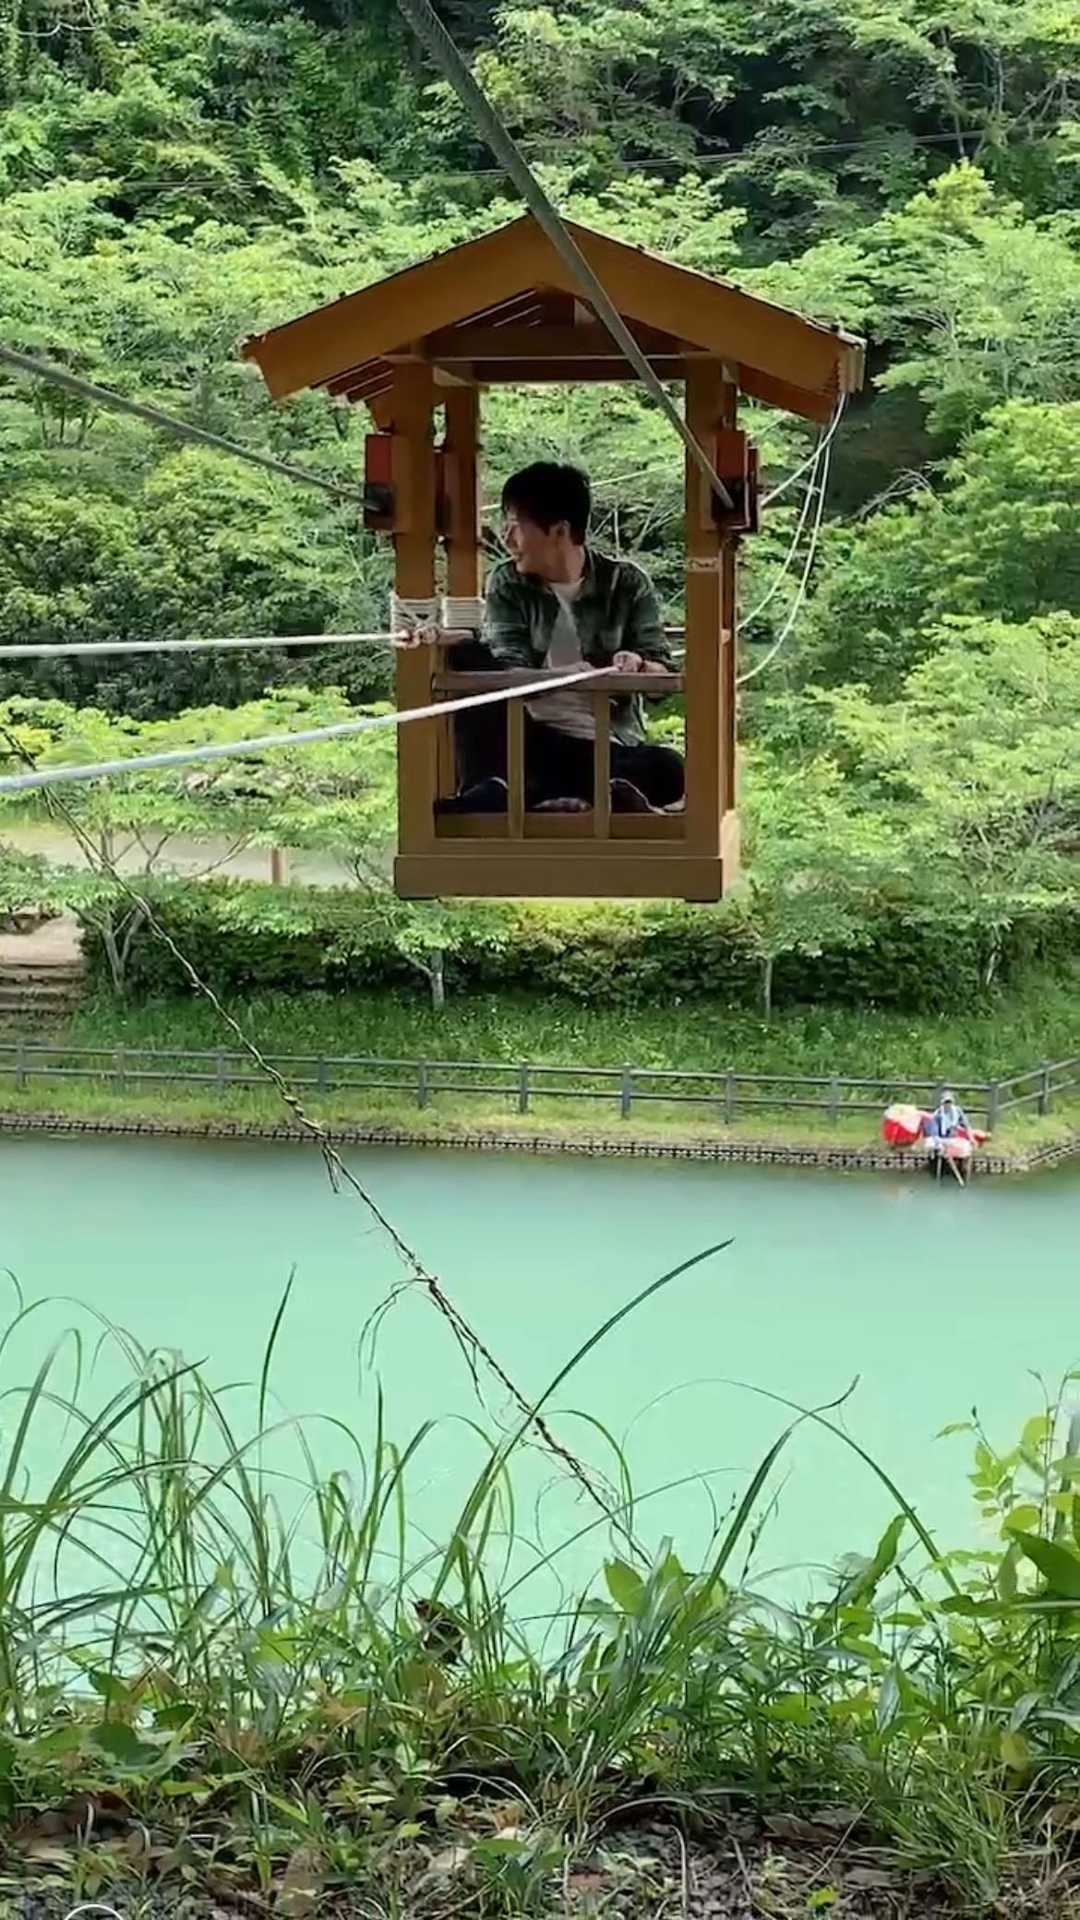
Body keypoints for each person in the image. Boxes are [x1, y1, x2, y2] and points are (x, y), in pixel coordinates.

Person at [440, 462, 683, 815]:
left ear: (559, 531)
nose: (506, 539)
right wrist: (568, 676)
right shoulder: (508, 583)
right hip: (526, 737)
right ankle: (565, 791)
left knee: (669, 767)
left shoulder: (626, 583)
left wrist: (639, 665)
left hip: (600, 742)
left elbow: (662, 678)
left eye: (515, 527)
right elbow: (507, 670)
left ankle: (529, 792)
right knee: (468, 657)